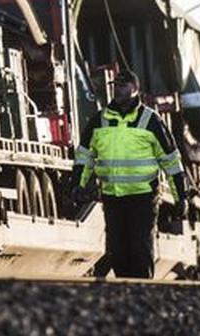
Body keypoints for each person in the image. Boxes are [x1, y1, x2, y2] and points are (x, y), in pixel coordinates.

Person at [70, 70, 186, 279]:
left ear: (135, 90)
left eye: (123, 86)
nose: (117, 89)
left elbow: (171, 161)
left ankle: (141, 292)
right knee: (118, 251)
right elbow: (84, 157)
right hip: (112, 197)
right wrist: (77, 186)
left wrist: (181, 198)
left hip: (143, 198)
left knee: (140, 249)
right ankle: (125, 293)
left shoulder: (151, 121)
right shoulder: (100, 120)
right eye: (115, 85)